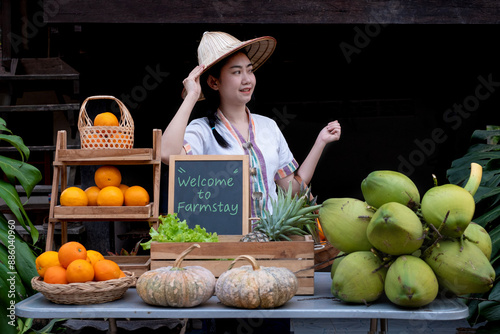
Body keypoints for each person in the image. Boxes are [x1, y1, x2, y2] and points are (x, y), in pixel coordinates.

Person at [162, 31, 341, 222]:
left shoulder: (269, 127)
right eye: (237, 72)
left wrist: (320, 142)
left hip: (270, 242)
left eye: (250, 70)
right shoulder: (203, 130)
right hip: (226, 244)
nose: (247, 79)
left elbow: (293, 190)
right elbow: (167, 154)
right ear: (214, 82)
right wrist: (192, 95)